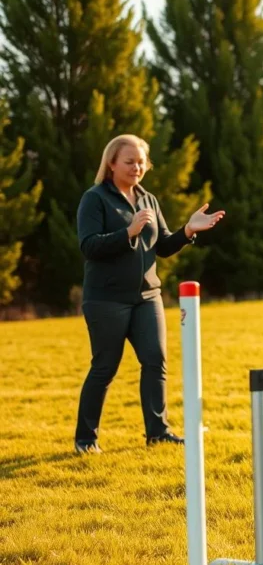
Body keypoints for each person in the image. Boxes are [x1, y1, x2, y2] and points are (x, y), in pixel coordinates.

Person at [73, 134, 225, 454]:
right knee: (105, 367)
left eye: (141, 162)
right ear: (111, 163)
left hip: (147, 297)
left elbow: (164, 246)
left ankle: (158, 432)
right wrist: (127, 232)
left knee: (155, 361)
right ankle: (86, 439)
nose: (137, 167)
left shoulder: (149, 200)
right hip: (106, 300)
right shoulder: (95, 198)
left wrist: (188, 231)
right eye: (129, 162)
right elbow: (89, 246)